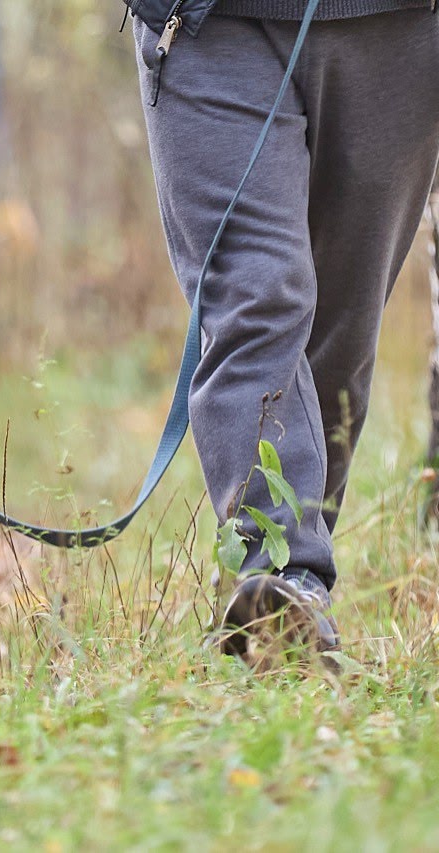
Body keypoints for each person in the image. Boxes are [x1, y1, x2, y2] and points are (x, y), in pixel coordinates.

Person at [128, 0, 439, 659]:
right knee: (258, 295)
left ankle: (289, 588)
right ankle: (279, 577)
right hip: (208, 25)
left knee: (343, 332)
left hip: (392, 26)